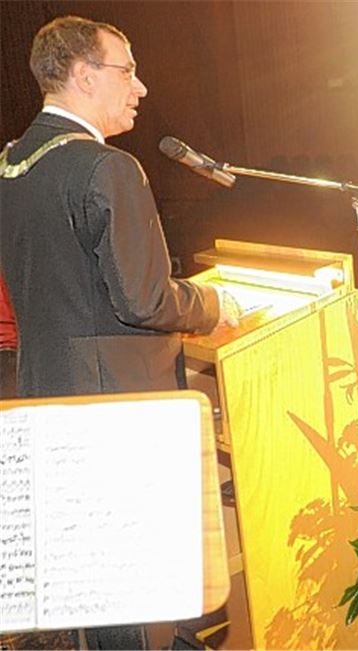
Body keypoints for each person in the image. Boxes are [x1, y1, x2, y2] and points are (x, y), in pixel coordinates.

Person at [0, 15, 239, 648]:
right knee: (127, 602)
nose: (139, 86)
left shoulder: (11, 164)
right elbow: (144, 299)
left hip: (46, 393)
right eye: (126, 70)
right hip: (113, 413)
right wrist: (215, 303)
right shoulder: (107, 168)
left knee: (90, 592)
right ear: (83, 75)